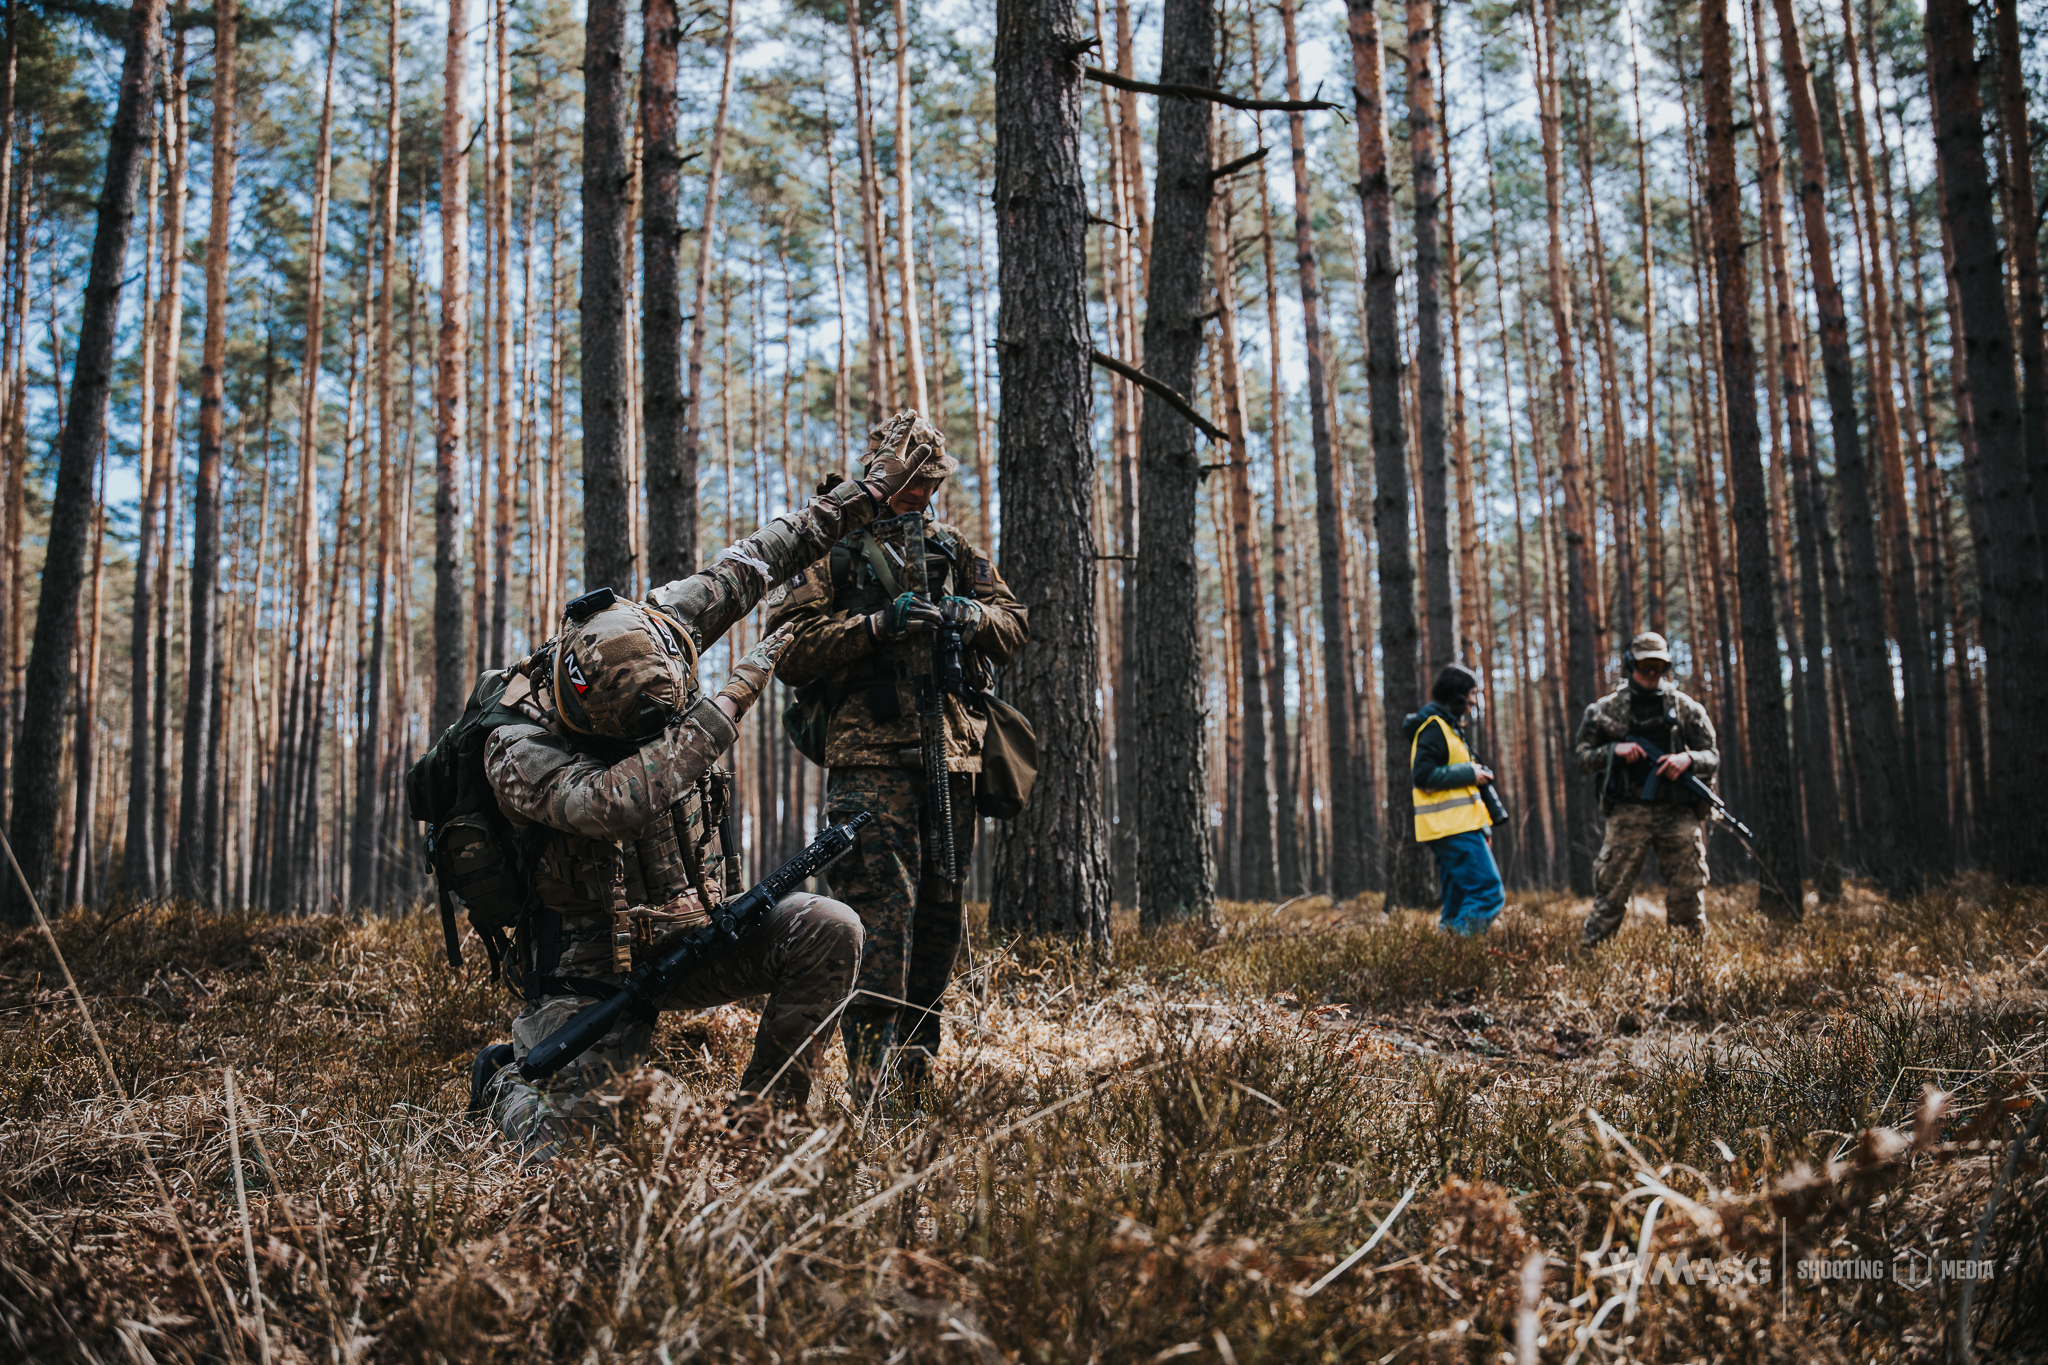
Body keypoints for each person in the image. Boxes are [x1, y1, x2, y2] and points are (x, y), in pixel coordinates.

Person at [466, 416, 939, 1157]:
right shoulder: (515, 741)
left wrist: (865, 495)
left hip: (694, 929)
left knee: (830, 927)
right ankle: (502, 1082)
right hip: (587, 971)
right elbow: (608, 801)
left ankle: (760, 1130)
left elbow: (759, 560)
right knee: (575, 1147)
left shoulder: (659, 625)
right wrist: (723, 710)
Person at [766, 412, 1028, 1106]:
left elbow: (1013, 622)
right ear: (882, 473)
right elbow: (787, 646)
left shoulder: (952, 548)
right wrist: (876, 626)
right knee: (880, 918)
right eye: (910, 479)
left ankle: (915, 1081)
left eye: (929, 482)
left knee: (940, 921)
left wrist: (970, 618)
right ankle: (870, 1087)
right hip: (870, 763)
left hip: (951, 764)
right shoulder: (834, 548)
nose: (920, 493)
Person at [1573, 631, 1720, 947]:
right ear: (1629, 665)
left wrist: (1688, 759)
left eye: (1659, 667)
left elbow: (1712, 756)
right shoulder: (1605, 711)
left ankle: (1690, 966)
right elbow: (1582, 759)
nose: (1652, 674)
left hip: (1678, 811)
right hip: (1628, 811)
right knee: (1611, 892)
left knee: (1687, 893)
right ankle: (1590, 965)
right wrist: (1615, 752)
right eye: (1644, 666)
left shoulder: (1686, 709)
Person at [1403, 664, 1506, 936]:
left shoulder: (1449, 729)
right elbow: (1423, 776)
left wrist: (1483, 826)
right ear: (1458, 693)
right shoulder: (1434, 729)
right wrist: (1468, 772)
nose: (1475, 700)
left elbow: (1462, 790)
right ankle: (1457, 952)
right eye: (1472, 693)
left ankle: (1443, 962)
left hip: (1459, 827)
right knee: (1488, 893)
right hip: (1451, 829)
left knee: (1458, 900)